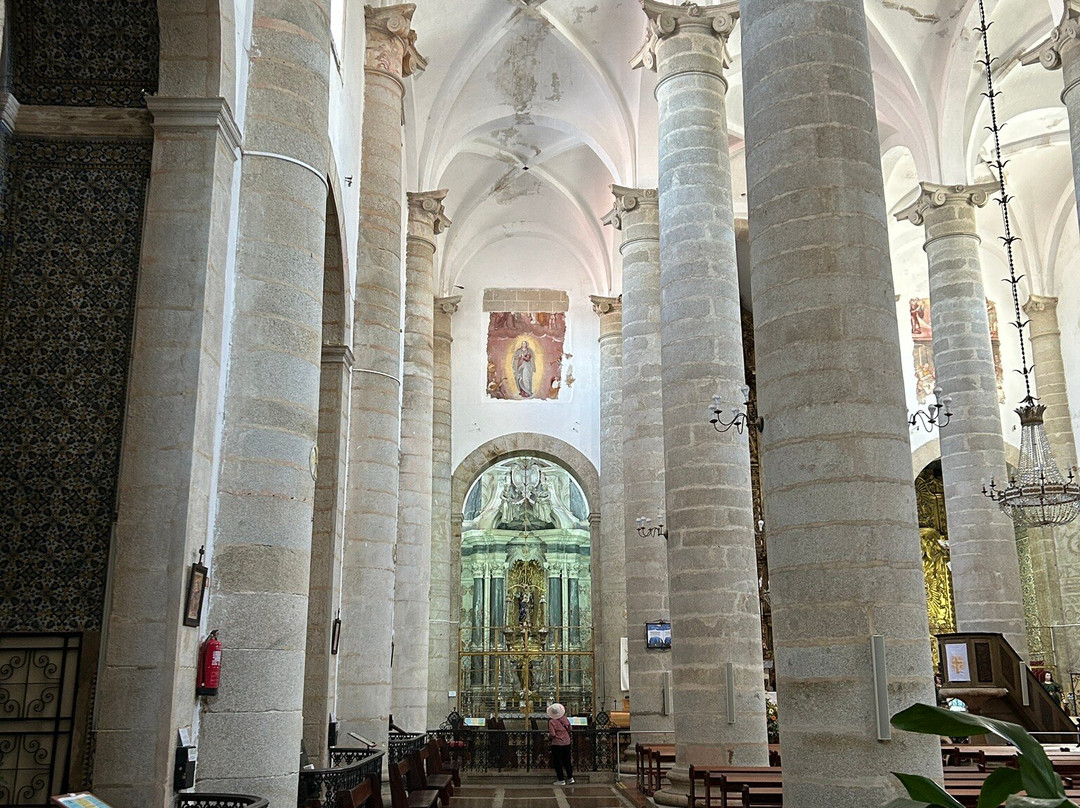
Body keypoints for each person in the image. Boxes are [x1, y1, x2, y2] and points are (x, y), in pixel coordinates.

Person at [547, 703, 574, 786]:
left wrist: (549, 735)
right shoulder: (565, 719)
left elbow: (553, 734)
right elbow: (570, 728)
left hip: (557, 743)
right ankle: (570, 778)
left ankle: (561, 779)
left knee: (558, 761)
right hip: (566, 742)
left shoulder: (552, 722)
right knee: (567, 760)